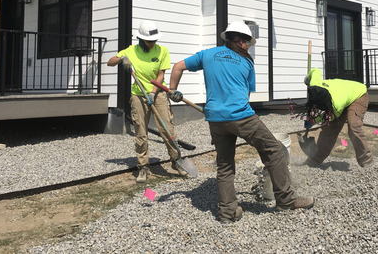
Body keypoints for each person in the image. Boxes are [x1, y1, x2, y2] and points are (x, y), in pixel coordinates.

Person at [169, 21, 314, 223]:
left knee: (225, 164)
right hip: (241, 116)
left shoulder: (207, 54)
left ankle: (227, 212)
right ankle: (286, 200)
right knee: (273, 149)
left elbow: (177, 67)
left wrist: (173, 91)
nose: (249, 47)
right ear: (241, 41)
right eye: (248, 42)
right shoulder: (247, 63)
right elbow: (245, 96)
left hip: (216, 118)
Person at [107, 20, 186, 183]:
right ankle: (143, 167)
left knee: (167, 129)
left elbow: (161, 75)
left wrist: (152, 93)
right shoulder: (131, 50)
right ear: (141, 39)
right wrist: (123, 60)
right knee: (141, 131)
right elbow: (110, 62)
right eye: (149, 41)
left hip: (157, 93)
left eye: (154, 40)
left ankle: (176, 161)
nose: (152, 43)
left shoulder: (162, 50)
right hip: (138, 95)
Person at [302, 67, 373, 168]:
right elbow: (315, 70)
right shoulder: (315, 86)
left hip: (358, 95)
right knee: (329, 130)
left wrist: (313, 121)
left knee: (354, 125)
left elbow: (330, 117)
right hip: (344, 94)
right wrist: (307, 78)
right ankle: (315, 159)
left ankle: (366, 160)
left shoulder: (336, 105)